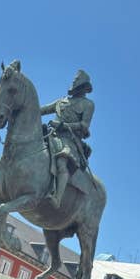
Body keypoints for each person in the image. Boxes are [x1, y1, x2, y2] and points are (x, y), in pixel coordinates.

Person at [40, 69, 95, 208]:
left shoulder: (88, 105)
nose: (75, 85)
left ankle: (57, 198)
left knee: (62, 161)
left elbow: (84, 126)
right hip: (51, 134)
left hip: (70, 139)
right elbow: (43, 109)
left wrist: (63, 125)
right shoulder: (62, 101)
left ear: (84, 87)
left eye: (78, 83)